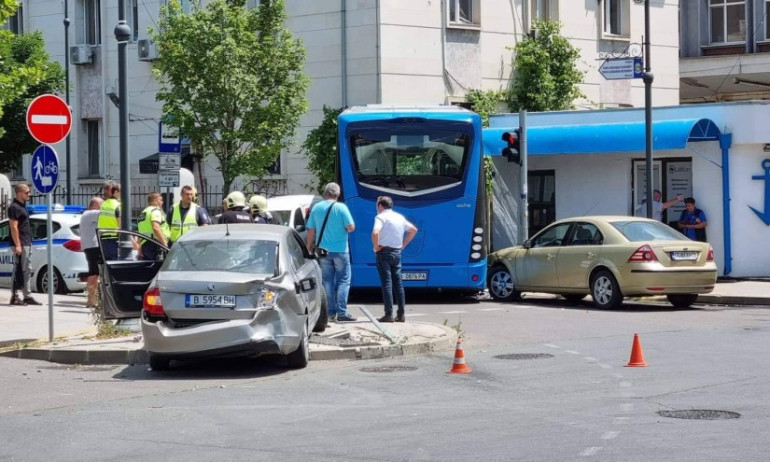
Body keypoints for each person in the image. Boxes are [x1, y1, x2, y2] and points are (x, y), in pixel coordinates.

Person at [306, 182, 356, 322]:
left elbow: (311, 230)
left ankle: (329, 312)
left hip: (323, 251)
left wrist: (309, 247)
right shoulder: (341, 208)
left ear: (325, 193)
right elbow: (351, 227)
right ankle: (342, 313)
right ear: (338, 194)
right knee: (343, 281)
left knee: (327, 281)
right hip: (340, 250)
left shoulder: (316, 207)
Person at [371, 196, 418, 323]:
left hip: (384, 252)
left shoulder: (380, 217)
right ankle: (401, 314)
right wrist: (403, 245)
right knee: (398, 283)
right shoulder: (399, 217)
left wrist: (376, 247)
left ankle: (388, 314)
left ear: (380, 206)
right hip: (397, 252)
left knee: (387, 283)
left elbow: (375, 232)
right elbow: (413, 230)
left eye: (377, 206)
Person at [7, 184, 40, 306]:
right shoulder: (14, 207)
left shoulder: (22, 206)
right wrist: (18, 245)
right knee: (18, 269)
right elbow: (13, 227)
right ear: (19, 193)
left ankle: (27, 296)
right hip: (20, 243)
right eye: (27, 192)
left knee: (27, 269)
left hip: (26, 242)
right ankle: (14, 296)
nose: (29, 194)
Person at [79, 196, 103, 308]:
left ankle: (92, 299)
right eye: (101, 205)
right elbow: (106, 214)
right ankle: (92, 300)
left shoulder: (86, 215)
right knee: (94, 273)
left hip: (90, 246)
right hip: (93, 247)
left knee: (94, 272)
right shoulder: (90, 213)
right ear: (95, 206)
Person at [137, 192, 170, 260]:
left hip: (145, 244)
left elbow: (140, 232)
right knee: (159, 267)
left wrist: (139, 250)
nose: (162, 202)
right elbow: (156, 227)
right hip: (156, 243)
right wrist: (165, 244)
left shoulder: (143, 213)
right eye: (160, 200)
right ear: (155, 201)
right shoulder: (155, 211)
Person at [97, 182, 121, 261]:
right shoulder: (118, 205)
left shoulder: (103, 204)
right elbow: (121, 226)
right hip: (113, 239)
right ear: (116, 193)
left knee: (107, 267)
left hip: (103, 240)